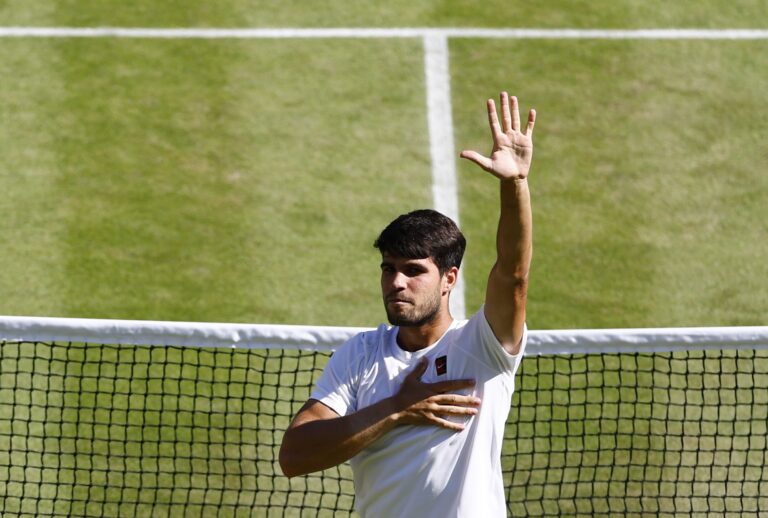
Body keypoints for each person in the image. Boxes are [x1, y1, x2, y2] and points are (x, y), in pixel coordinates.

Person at [279, 91, 536, 517]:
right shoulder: (361, 355)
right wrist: (398, 408)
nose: (396, 282)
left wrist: (515, 185)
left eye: (414, 271)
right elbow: (295, 455)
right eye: (388, 268)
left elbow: (513, 273)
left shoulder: (482, 347)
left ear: (449, 279)